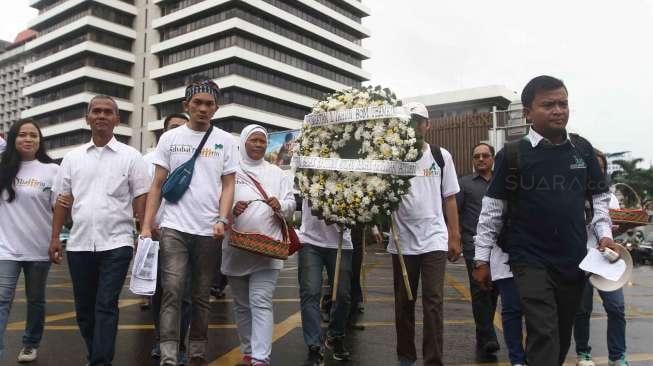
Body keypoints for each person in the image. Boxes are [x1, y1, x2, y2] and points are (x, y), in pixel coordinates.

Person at [473, 75, 618, 366]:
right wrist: (481, 260)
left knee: (563, 335)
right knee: (544, 331)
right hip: (529, 260)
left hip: (573, 260)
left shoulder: (582, 150)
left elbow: (600, 200)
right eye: (548, 104)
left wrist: (604, 234)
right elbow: (492, 210)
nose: (558, 110)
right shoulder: (512, 155)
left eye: (563, 103)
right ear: (527, 112)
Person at [141, 78, 237, 366]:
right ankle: (169, 355)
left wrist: (222, 218)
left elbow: (229, 184)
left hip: (209, 230)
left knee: (201, 296)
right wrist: (146, 226)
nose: (203, 108)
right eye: (198, 103)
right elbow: (156, 185)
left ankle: (196, 353)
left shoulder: (226, 140)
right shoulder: (170, 138)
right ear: (187, 105)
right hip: (174, 228)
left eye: (209, 104)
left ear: (216, 108)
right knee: (171, 291)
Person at [49, 95, 150, 366]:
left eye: (108, 112)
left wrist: (144, 236)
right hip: (80, 244)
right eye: (96, 111)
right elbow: (62, 200)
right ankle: (96, 353)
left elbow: (141, 202)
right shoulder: (72, 158)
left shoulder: (132, 157)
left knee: (106, 305)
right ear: (88, 118)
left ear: (117, 119)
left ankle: (100, 362)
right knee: (84, 311)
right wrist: (55, 237)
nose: (102, 115)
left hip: (117, 244)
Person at [388, 102, 461, 366]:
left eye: (419, 121)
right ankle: (405, 357)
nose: (414, 125)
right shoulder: (391, 158)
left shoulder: (441, 156)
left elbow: (450, 199)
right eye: (409, 121)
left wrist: (454, 237)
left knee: (433, 302)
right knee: (404, 302)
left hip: (434, 239)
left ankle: (433, 360)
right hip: (402, 241)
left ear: (427, 125)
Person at [222, 124, 295, 366]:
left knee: (261, 302)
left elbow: (291, 203)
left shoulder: (277, 173)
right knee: (242, 306)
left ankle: (261, 359)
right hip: (236, 249)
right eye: (253, 140)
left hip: (268, 251)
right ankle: (248, 351)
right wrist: (232, 209)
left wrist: (281, 205)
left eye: (262, 141)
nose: (258, 144)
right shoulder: (231, 170)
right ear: (243, 142)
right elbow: (218, 200)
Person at [0, 120, 59, 362]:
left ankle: (30, 343)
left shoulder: (52, 170)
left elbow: (59, 211)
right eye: (22, 135)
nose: (28, 139)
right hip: (5, 247)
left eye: (33, 135)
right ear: (13, 139)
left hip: (38, 248)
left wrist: (56, 239)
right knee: (2, 300)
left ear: (40, 140)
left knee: (36, 300)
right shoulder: (3, 169)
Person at [143, 113, 192, 364]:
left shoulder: (196, 156)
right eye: (173, 127)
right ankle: (161, 339)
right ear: (165, 132)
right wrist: (146, 227)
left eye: (182, 126)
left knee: (182, 294)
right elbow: (142, 196)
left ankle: (179, 345)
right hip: (155, 234)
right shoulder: (149, 159)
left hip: (185, 233)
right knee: (159, 292)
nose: (178, 131)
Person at [574, 150, 629, 366]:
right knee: (582, 310)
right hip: (581, 258)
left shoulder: (610, 196)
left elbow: (615, 229)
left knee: (616, 307)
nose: (596, 170)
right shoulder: (572, 193)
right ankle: (583, 354)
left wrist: (621, 227)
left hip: (607, 260)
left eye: (600, 166)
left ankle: (618, 356)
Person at [456, 143, 499, 360]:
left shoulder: (502, 183)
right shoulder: (464, 184)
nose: (481, 159)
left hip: (499, 248)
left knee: (494, 292)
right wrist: (455, 241)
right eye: (476, 156)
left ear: (492, 158)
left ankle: (483, 332)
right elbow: (455, 214)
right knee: (480, 290)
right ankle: (489, 335)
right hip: (473, 247)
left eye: (485, 155)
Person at [298, 202, 354, 365]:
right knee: (310, 292)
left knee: (343, 294)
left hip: (341, 241)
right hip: (310, 241)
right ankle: (314, 346)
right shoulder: (305, 175)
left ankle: (335, 336)